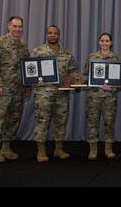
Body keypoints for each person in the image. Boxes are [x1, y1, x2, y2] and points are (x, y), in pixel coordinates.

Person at [31, 25, 79, 162]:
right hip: (43, 93)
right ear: (46, 34)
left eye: (55, 33)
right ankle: (41, 151)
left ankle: (58, 149)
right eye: (50, 33)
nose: (53, 35)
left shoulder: (67, 54)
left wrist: (75, 80)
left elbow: (73, 72)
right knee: (42, 121)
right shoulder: (37, 52)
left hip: (61, 94)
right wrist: (35, 80)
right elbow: (30, 71)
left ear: (59, 36)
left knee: (61, 122)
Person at [0, 16, 30, 163]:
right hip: (2, 89)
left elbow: (27, 69)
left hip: (18, 90)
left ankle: (6, 147)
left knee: (13, 119)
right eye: (14, 26)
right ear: (8, 26)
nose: (17, 29)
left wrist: (28, 86)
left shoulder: (23, 46)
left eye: (20, 27)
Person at [83, 33, 121, 160]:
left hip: (110, 97)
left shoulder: (116, 58)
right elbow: (85, 76)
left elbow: (120, 79)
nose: (104, 43)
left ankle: (108, 150)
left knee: (109, 123)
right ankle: (93, 150)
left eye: (107, 41)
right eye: (102, 41)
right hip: (93, 97)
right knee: (92, 123)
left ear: (111, 43)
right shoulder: (92, 57)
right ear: (99, 42)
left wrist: (112, 87)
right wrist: (91, 82)